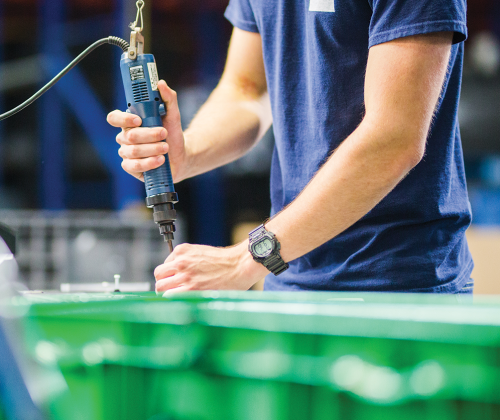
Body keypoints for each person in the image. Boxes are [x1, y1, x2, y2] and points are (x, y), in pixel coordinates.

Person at [107, 0, 474, 294]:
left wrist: (243, 261)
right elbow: (246, 90)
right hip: (290, 279)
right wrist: (188, 151)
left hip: (397, 290)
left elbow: (393, 139)